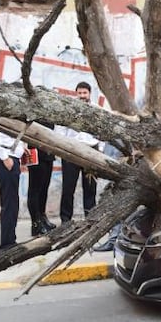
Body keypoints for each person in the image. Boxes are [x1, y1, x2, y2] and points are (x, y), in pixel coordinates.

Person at [56, 81, 101, 224]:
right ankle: (65, 220)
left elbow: (104, 132)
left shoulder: (97, 110)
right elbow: (60, 130)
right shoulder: (68, 109)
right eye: (79, 93)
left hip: (90, 151)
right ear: (76, 93)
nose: (82, 96)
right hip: (71, 151)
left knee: (90, 188)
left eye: (84, 93)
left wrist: (98, 149)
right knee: (68, 187)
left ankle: (90, 218)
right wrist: (65, 147)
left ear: (89, 94)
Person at [0, 128, 25, 251]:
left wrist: (20, 148)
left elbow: (9, 140)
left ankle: (10, 240)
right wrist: (5, 158)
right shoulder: (4, 119)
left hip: (9, 159)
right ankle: (7, 244)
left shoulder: (15, 121)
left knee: (12, 202)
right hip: (5, 162)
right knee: (10, 203)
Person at [27, 121, 56, 236]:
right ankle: (35, 223)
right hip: (35, 153)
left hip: (48, 153)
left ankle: (43, 217)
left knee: (44, 188)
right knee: (35, 190)